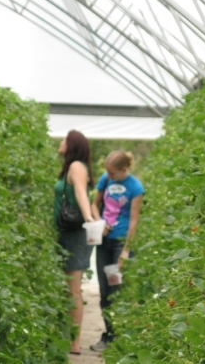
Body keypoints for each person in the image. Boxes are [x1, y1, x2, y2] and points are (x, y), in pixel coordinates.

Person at [90, 150, 144, 352]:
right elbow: (94, 205)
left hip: (119, 245)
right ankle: (108, 334)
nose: (109, 176)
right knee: (104, 291)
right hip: (103, 242)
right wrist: (99, 221)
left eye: (113, 173)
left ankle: (117, 336)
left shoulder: (135, 187)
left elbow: (134, 220)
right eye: (107, 172)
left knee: (116, 290)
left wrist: (125, 251)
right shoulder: (106, 179)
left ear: (124, 169)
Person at [54, 130, 95, 355]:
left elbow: (81, 193)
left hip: (74, 234)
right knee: (69, 287)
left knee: (73, 289)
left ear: (72, 145)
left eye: (64, 140)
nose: (61, 142)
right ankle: (69, 336)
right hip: (67, 233)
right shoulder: (73, 166)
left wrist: (88, 218)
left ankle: (74, 342)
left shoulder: (77, 166)